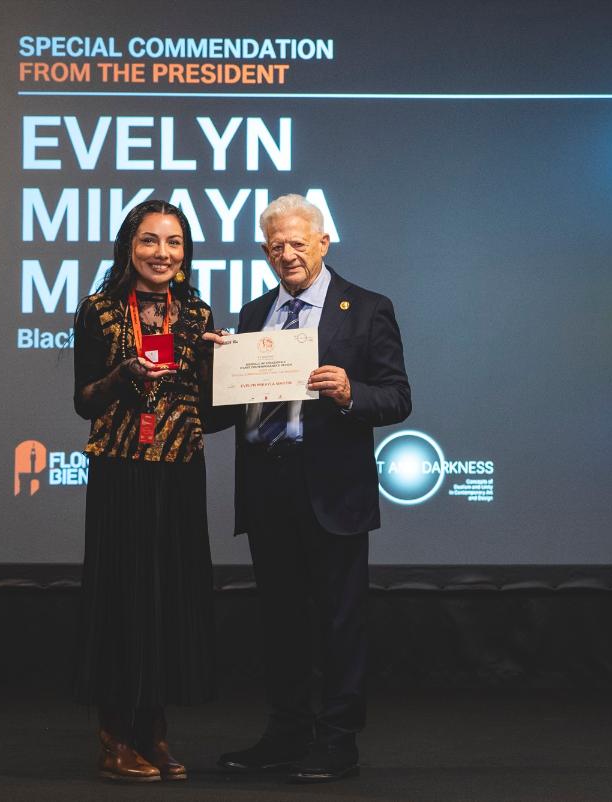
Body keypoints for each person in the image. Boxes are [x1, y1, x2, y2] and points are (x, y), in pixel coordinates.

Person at [205, 194, 412, 783]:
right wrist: (214, 368)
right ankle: (286, 733)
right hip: (268, 489)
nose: (288, 254)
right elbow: (230, 408)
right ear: (264, 252)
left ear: (324, 242)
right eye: (276, 246)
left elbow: (397, 396)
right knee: (280, 622)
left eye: (298, 242)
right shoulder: (253, 314)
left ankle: (339, 741)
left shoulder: (366, 308)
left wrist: (350, 393)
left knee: (340, 622)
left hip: (332, 492)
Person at [72, 199, 217, 782]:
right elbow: (83, 401)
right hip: (122, 470)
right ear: (128, 246)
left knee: (168, 600)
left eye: (174, 242)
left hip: (180, 470)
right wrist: (122, 375)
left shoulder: (196, 313)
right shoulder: (100, 310)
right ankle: (114, 739)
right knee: (122, 598)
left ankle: (153, 733)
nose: (162, 253)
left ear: (186, 251)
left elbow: (207, 410)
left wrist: (224, 367)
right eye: (150, 240)